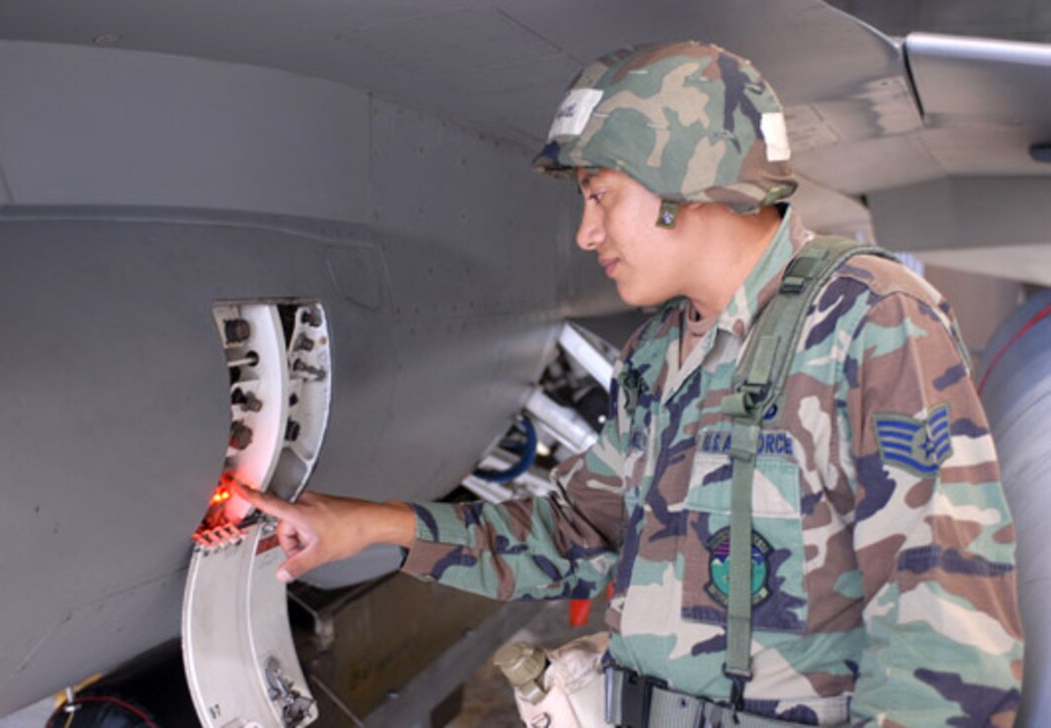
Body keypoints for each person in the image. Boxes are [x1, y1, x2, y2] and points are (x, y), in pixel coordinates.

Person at [233, 41, 1024, 726]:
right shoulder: (657, 357)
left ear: (684, 183)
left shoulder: (871, 321)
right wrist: (370, 528)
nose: (586, 233)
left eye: (600, 196)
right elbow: (583, 537)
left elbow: (946, 635)